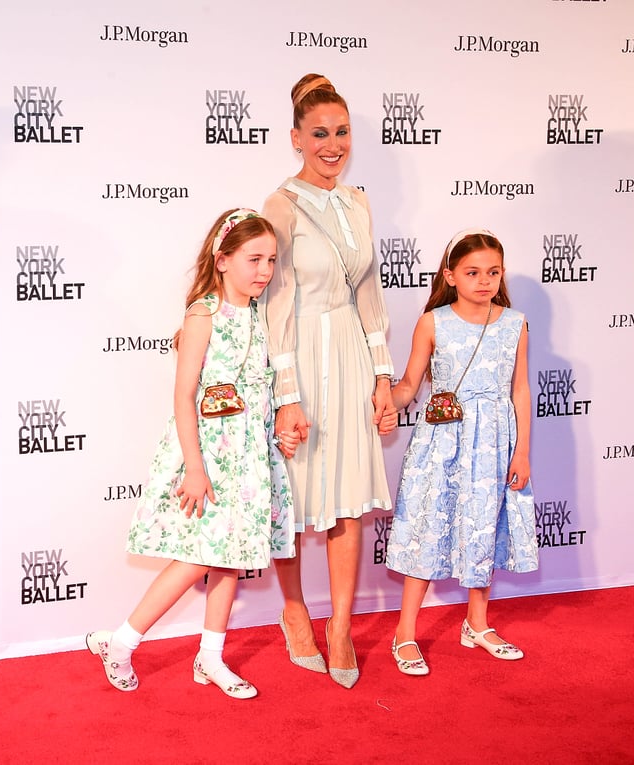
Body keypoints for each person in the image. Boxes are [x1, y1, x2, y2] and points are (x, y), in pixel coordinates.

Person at [86, 208, 297, 699]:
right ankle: (120, 642)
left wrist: (275, 436)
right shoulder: (203, 313)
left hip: (248, 455)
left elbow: (259, 387)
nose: (264, 270)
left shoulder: (258, 314)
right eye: (254, 259)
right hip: (208, 454)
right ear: (222, 260)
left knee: (228, 559)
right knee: (195, 558)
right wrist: (196, 469)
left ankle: (210, 656)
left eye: (271, 260)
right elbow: (184, 396)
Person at [261, 73, 397, 689]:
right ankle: (295, 611)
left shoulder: (359, 203)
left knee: (347, 497)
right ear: (296, 138)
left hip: (349, 351)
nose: (332, 144)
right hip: (300, 358)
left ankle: (339, 625)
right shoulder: (280, 206)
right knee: (293, 497)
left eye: (341, 132)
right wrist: (287, 394)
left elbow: (367, 291)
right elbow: (276, 304)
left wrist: (383, 375)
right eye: (319, 133)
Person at [385, 228, 539, 676]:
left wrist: (522, 451)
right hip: (443, 441)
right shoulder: (434, 321)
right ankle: (405, 632)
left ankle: (477, 623)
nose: (484, 280)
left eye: (493, 272)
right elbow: (411, 385)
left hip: (494, 443)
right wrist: (383, 399)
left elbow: (521, 390)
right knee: (429, 527)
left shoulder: (515, 323)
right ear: (451, 275)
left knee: (483, 527)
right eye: (472, 272)